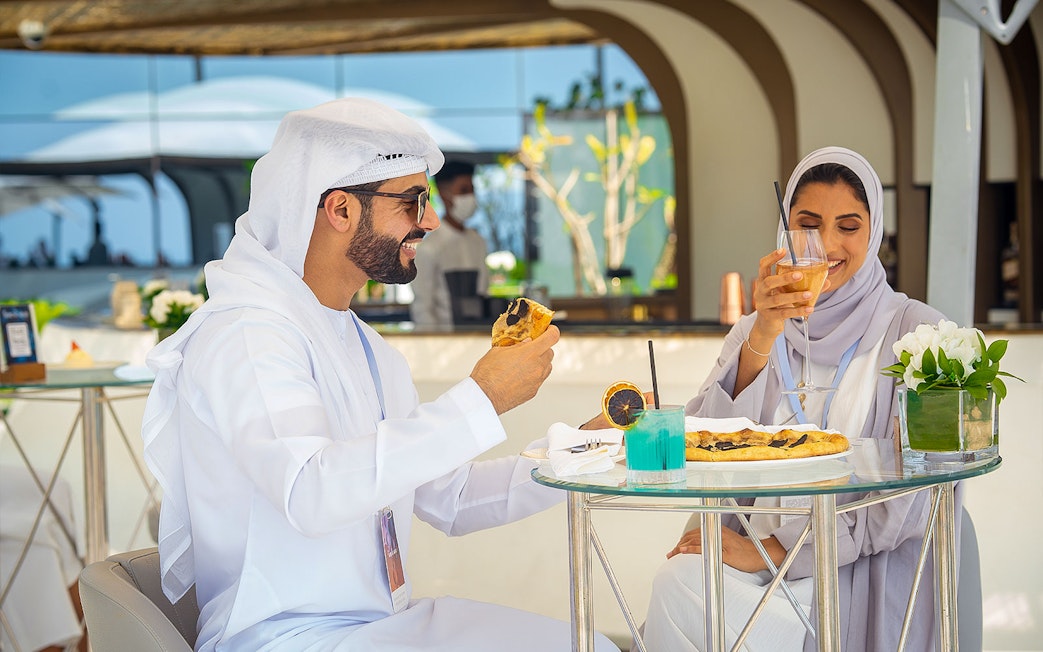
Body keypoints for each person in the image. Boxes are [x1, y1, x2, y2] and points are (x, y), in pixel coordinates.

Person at [141, 98, 618, 652]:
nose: (432, 221)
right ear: (340, 209)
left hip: (376, 628)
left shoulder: (364, 346)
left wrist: (594, 446)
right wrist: (483, 397)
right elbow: (310, 491)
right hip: (284, 637)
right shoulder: (248, 334)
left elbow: (453, 499)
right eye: (414, 201)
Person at [641, 146, 952, 651]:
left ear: (874, 234)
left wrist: (771, 550)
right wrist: (764, 332)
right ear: (785, 233)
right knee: (677, 585)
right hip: (745, 560)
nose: (826, 245)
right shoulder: (755, 329)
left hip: (844, 570)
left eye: (848, 226)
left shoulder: (916, 332)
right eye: (808, 225)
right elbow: (696, 448)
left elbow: (912, 500)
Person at [409, 160, 489, 328]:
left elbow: (483, 295)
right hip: (444, 341)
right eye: (463, 190)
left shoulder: (478, 242)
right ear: (444, 194)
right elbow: (423, 308)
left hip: (477, 337)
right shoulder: (429, 248)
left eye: (472, 190)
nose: (471, 197)